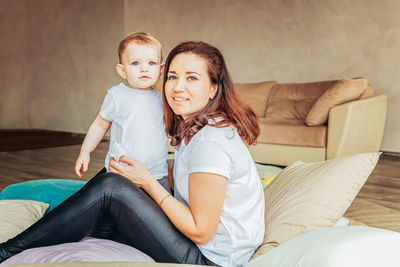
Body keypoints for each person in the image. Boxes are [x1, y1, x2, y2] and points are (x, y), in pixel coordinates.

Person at [0, 41, 265, 267]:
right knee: (117, 178)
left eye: (192, 78)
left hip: (210, 259)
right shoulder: (198, 127)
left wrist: (147, 181)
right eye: (172, 76)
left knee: (111, 186)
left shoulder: (211, 142)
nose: (177, 87)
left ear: (212, 88)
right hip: (203, 246)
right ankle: (96, 227)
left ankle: (7, 251)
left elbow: (201, 230)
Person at [74, 32, 170, 192]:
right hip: (122, 173)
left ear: (161, 70)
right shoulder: (117, 96)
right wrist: (85, 151)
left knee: (163, 210)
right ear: (122, 70)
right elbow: (99, 125)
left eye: (152, 63)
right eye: (135, 63)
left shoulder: (163, 98)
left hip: (157, 174)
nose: (144, 69)